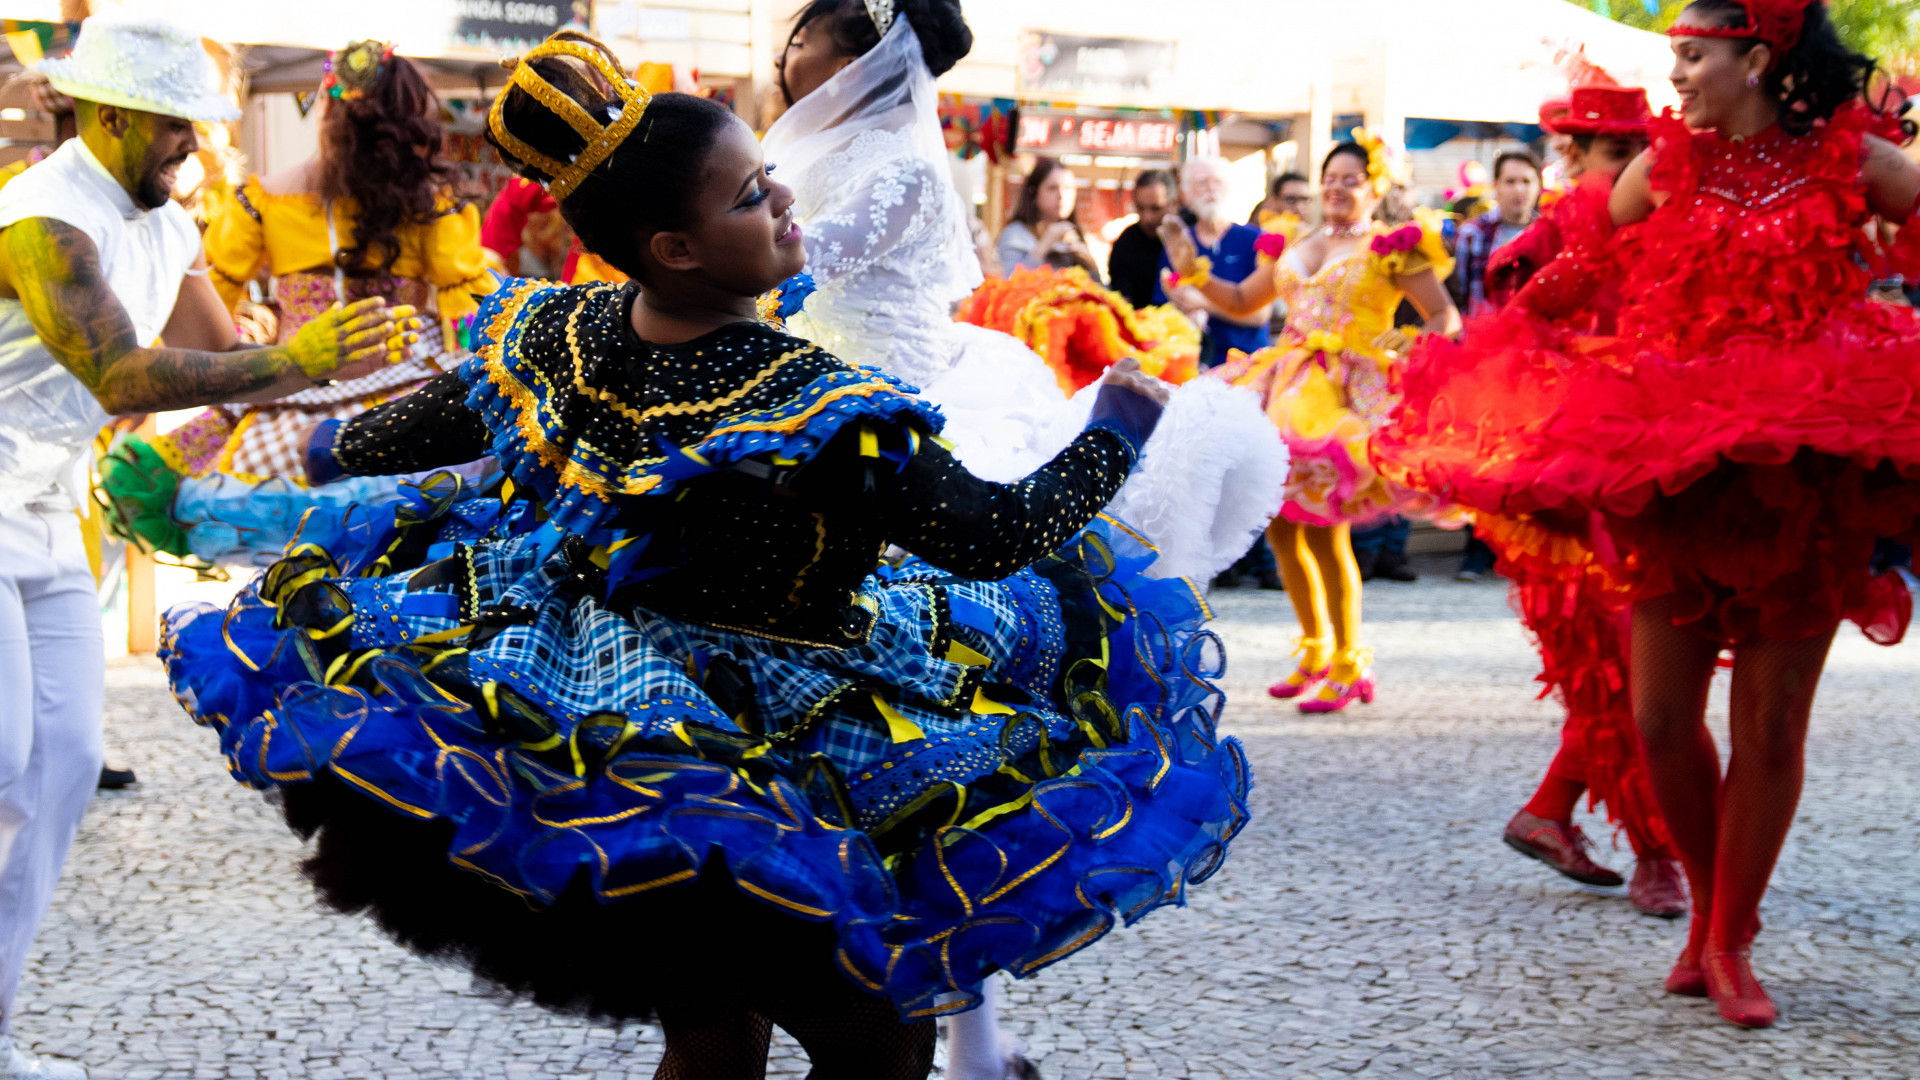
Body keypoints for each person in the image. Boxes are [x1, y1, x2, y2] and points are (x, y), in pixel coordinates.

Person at [157, 30, 1251, 1079]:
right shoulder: (807, 401)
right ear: (674, 248)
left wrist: (305, 448)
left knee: (716, 1036)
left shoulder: (560, 333)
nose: (782, 201)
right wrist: (1118, 429)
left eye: (767, 176)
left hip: (614, 730)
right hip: (767, 737)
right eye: (747, 197)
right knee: (878, 1046)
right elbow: (988, 536)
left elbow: (423, 426)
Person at [1374, 0, 1920, 1029]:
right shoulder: (1666, 168)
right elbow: (1580, 265)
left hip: (1803, 467)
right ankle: (1712, 906)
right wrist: (1509, 334)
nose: (1677, 74)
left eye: (1694, 53)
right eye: (1674, 52)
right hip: (1673, 465)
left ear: (1756, 58)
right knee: (1659, 717)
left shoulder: (1855, 161)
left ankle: (1728, 936)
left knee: (1768, 724)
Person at [0, 19, 408, 1080]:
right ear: (110, 114)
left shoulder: (168, 223)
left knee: (69, 767)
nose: (196, 144)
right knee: (3, 755)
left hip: (45, 512)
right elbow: (126, 379)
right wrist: (288, 356)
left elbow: (236, 361)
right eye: (179, 124)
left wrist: (381, 380)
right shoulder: (43, 225)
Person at [763, 0, 1288, 589]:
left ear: (850, 68)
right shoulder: (804, 155)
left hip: (892, 396)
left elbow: (791, 264)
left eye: (800, 45)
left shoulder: (903, 171)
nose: (781, 58)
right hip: (807, 384)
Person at [94, 40, 492, 569]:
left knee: (292, 572)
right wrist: (479, 373)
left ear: (328, 110)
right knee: (400, 556)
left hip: (292, 408)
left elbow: (206, 306)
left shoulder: (262, 199)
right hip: (408, 406)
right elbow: (467, 304)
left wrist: (157, 374)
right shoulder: (434, 207)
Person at [1449, 80, 1687, 918]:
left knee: (1634, 674)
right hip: (1566, 497)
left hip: (1654, 481)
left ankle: (1550, 812)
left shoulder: (1667, 232)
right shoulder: (1539, 247)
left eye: (1638, 152)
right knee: (1620, 673)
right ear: (1574, 158)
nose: (1634, 169)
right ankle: (1659, 854)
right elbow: (1514, 361)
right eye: (1617, 154)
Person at [1162, 135, 1462, 713]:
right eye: (1331, 178)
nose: (1338, 188)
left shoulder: (1394, 246)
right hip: (1283, 385)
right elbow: (1242, 300)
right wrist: (1190, 270)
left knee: (1326, 531)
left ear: (1376, 188)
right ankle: (1315, 652)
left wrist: (1416, 338)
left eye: (1352, 179)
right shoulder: (1293, 240)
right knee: (1280, 528)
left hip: (1343, 396)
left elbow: (1444, 312)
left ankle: (1351, 663)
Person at [1156, 157, 1271, 370]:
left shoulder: (1255, 239)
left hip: (1249, 362)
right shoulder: (1179, 242)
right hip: (1193, 362)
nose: (1210, 189)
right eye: (1202, 183)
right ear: (1186, 195)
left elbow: (1260, 315)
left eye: (1217, 181)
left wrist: (1203, 302)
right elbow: (1164, 308)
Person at [995, 158, 1104, 282]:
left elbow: (1103, 295)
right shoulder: (1015, 234)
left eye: (1068, 188)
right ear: (1033, 192)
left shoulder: (1075, 236)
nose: (1061, 196)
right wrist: (1044, 245)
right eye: (1052, 188)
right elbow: (1008, 282)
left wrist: (1092, 267)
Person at [1108, 168, 1176, 309]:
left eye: (1156, 208)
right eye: (1140, 208)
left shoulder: (1190, 238)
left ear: (1174, 204)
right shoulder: (1126, 243)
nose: (1147, 218)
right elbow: (1122, 303)